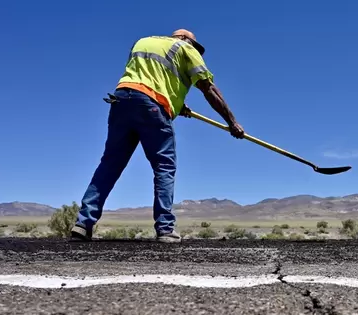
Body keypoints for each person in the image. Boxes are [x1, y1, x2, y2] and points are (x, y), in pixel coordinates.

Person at [70, 29, 245, 243]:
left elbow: (149, 79)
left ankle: (83, 224)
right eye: (194, 45)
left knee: (109, 165)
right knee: (164, 166)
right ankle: (165, 229)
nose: (195, 49)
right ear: (184, 39)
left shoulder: (143, 41)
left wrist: (177, 104)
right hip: (152, 106)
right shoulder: (185, 48)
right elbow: (208, 88)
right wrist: (232, 123)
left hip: (122, 100)